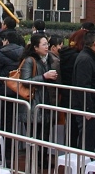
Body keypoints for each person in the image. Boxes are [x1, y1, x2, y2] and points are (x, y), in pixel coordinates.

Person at [19, 33, 58, 164]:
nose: (47, 47)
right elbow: (25, 81)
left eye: (47, 44)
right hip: (33, 103)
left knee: (44, 135)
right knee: (34, 135)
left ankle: (42, 160)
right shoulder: (30, 60)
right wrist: (44, 77)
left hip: (44, 102)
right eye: (44, 44)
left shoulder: (47, 59)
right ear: (35, 47)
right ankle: (34, 161)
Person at [72, 29, 95, 151]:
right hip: (87, 108)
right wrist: (88, 109)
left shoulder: (92, 58)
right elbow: (83, 86)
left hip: (92, 105)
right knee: (86, 139)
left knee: (89, 138)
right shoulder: (85, 59)